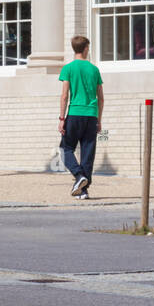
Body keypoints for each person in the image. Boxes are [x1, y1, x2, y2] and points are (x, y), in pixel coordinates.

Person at [58, 35, 104, 198]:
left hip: (75, 113)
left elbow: (64, 96)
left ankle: (79, 176)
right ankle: (83, 190)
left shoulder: (68, 68)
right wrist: (99, 120)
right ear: (86, 48)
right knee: (88, 152)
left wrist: (62, 118)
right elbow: (101, 97)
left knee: (65, 148)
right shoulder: (94, 69)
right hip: (91, 115)